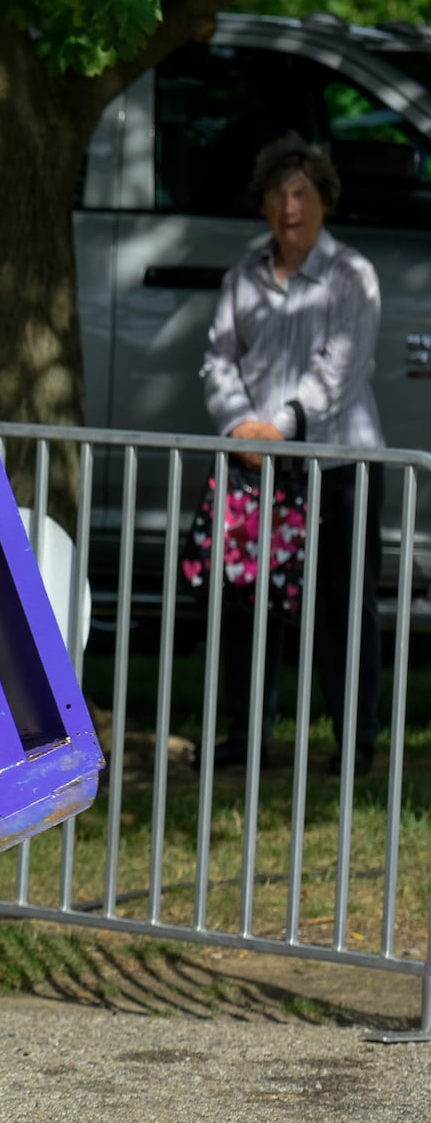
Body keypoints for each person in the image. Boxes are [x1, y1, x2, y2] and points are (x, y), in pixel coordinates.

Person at [199, 132, 384, 777]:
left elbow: (338, 371)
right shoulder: (242, 277)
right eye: (278, 194)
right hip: (256, 473)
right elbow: (219, 359)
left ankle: (356, 744)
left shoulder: (352, 276)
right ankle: (246, 740)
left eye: (302, 192)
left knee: (342, 608)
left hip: (336, 469)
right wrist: (240, 427)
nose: (289, 206)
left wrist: (280, 428)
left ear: (325, 200)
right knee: (248, 606)